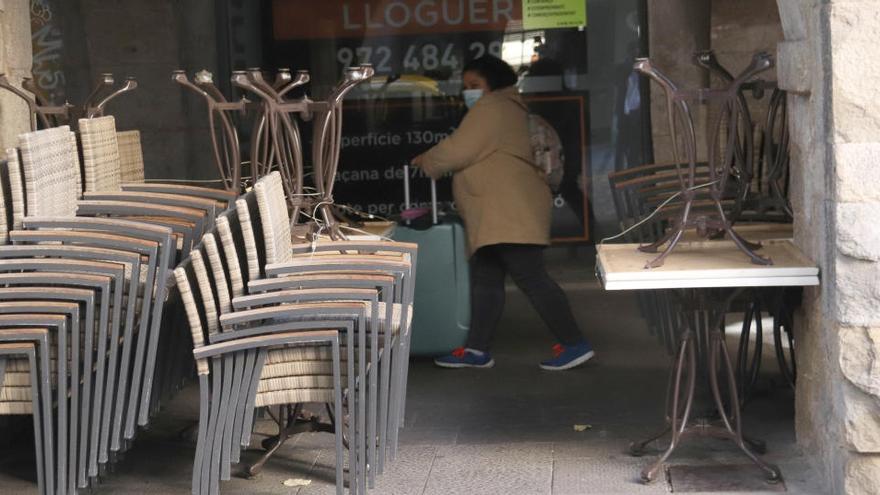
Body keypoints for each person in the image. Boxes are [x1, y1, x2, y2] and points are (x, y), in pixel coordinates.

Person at [411, 55, 594, 371]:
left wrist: (426, 160)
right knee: (487, 277)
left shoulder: (491, 108)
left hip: (509, 212)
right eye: (465, 86)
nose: (469, 92)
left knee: (531, 277)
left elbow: (458, 150)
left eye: (475, 85)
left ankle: (575, 343)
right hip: (502, 212)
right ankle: (477, 349)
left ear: (492, 84)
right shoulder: (507, 107)